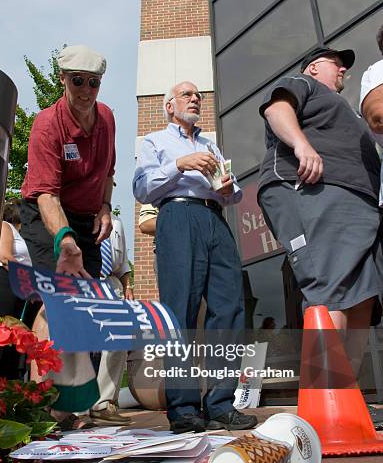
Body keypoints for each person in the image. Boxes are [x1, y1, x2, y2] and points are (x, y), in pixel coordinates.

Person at [133, 80, 258, 434]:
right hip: (177, 215)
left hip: (214, 219)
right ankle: (184, 407)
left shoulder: (210, 144)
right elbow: (142, 187)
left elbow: (232, 196)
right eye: (187, 95)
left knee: (229, 308)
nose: (195, 99)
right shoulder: (155, 140)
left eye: (198, 96)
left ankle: (220, 403)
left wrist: (227, 185)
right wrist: (180, 164)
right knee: (180, 312)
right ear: (169, 106)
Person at [257, 45, 382, 378]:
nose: (343, 70)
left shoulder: (351, 112)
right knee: (330, 291)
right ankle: (322, 396)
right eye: (336, 64)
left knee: (362, 300)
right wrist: (301, 144)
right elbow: (276, 110)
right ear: (312, 68)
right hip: (316, 189)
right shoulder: (304, 85)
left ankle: (344, 395)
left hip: (361, 204)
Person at [20, 45, 116, 429]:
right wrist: (64, 239)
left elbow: (108, 170)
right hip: (46, 214)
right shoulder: (47, 124)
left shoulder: (107, 118)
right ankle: (40, 411)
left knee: (86, 307)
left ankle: (72, 410)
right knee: (54, 304)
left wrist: (106, 207)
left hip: (86, 218)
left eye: (93, 82)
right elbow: (46, 194)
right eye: (78, 81)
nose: (86, 90)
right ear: (63, 79)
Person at [90, 214, 133, 425]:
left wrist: (128, 286)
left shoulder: (116, 222)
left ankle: (104, 404)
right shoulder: (76, 214)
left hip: (112, 285)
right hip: (86, 279)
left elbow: (122, 261)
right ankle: (76, 408)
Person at [0, 201, 32, 380]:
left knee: (14, 339)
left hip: (19, 289)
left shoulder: (24, 235)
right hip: (6, 283)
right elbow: (5, 256)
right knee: (1, 334)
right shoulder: (6, 226)